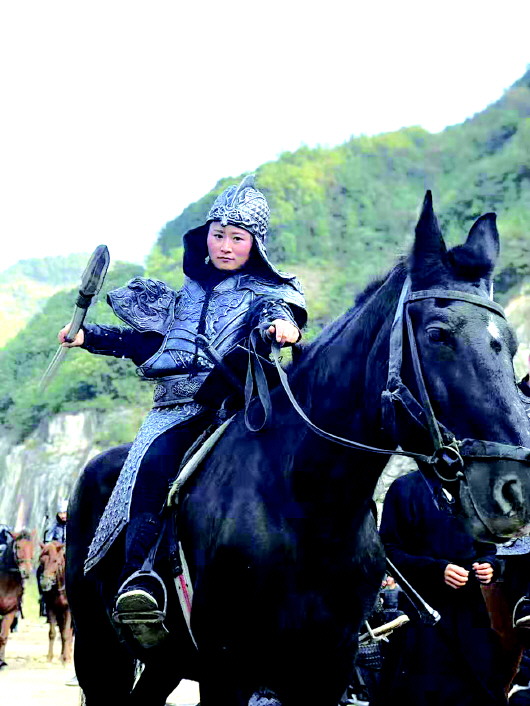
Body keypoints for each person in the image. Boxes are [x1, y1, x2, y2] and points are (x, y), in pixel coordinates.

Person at [58, 175, 307, 631]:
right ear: (205, 236)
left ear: (255, 244)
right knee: (154, 466)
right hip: (176, 413)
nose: (225, 246)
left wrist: (282, 327)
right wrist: (89, 337)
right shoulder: (185, 295)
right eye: (219, 235)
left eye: (237, 238)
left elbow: (280, 315)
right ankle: (139, 576)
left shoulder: (270, 294)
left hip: (243, 413)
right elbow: (149, 344)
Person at [373, 469, 508, 706]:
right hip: (422, 615)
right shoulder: (405, 488)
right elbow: (388, 552)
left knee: (481, 690)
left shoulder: (474, 488)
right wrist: (436, 570)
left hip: (470, 616)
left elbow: (489, 549)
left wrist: (490, 566)